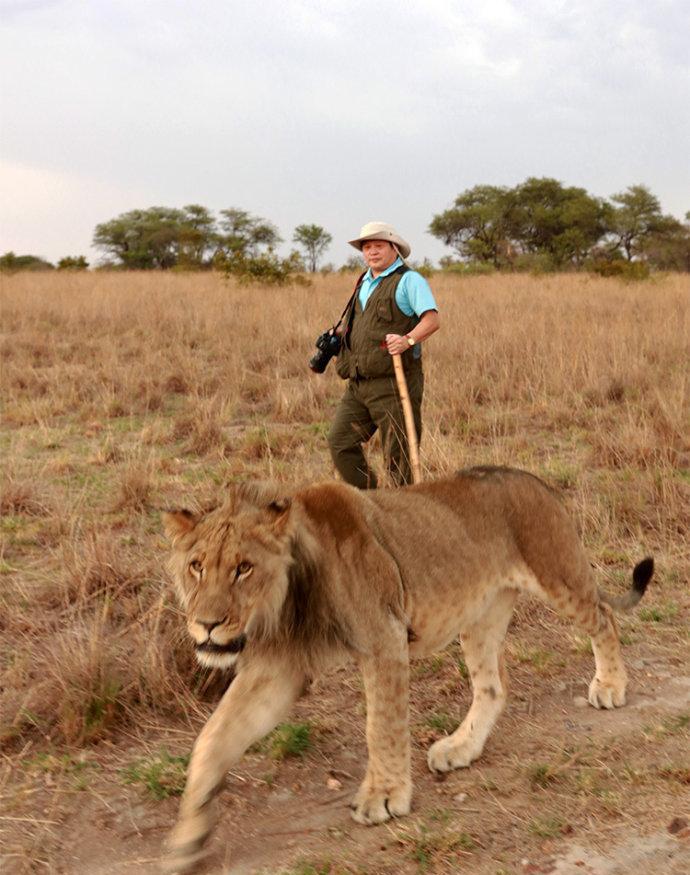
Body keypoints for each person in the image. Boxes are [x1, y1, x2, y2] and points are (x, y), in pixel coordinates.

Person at [328, 222, 440, 488]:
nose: (372, 252)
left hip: (393, 383)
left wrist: (407, 339)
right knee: (340, 442)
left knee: (398, 455)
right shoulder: (362, 282)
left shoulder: (408, 280)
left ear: (394, 249)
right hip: (358, 384)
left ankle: (404, 513)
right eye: (367, 247)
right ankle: (372, 498)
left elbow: (432, 320)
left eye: (379, 246)